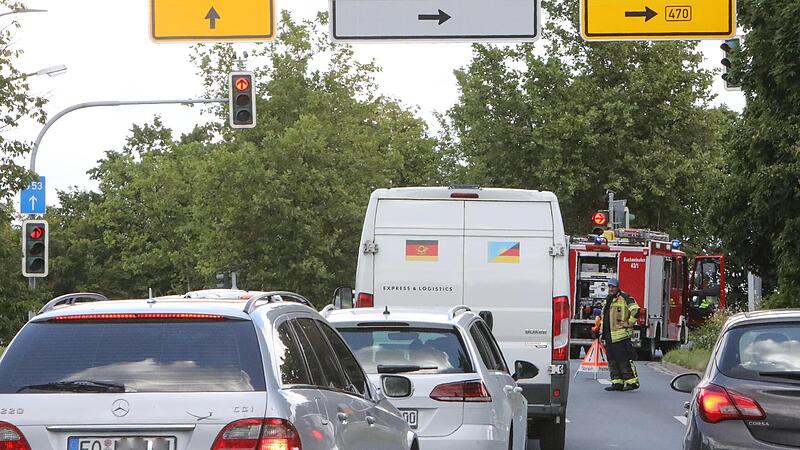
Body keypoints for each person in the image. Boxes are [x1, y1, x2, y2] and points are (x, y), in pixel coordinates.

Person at [600, 278, 641, 392]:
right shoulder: (608, 299)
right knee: (612, 360)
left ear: (617, 287)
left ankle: (632, 382)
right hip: (609, 336)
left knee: (624, 360)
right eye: (609, 287)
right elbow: (605, 317)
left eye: (613, 287)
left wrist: (629, 323)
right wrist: (601, 332)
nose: (611, 289)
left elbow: (636, 311)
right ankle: (617, 382)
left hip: (621, 336)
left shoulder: (625, 298)